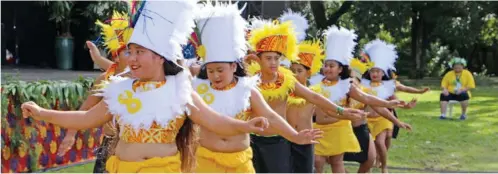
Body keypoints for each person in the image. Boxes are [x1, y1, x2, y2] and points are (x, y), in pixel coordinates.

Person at [21, 1, 270, 173]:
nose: (131, 58)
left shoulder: (180, 90)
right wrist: (42, 113)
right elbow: (87, 118)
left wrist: (245, 126)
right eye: (130, 52)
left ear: (160, 57)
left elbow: (214, 121)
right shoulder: (120, 89)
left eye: (140, 52)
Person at [191, 3, 322, 173]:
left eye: (220, 70)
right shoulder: (198, 90)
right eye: (210, 70)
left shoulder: (247, 89)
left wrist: (295, 136)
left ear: (233, 67)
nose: (215, 75)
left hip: (240, 162)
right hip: (205, 162)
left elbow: (270, 116)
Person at [246, 20, 367, 173]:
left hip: (279, 139)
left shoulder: (286, 80)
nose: (273, 62)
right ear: (259, 59)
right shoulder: (250, 81)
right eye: (268, 58)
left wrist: (340, 110)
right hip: (252, 140)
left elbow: (313, 97)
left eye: (276, 58)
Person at [310, 26, 409, 173]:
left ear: (340, 69)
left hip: (339, 129)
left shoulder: (347, 86)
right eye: (325, 65)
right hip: (320, 129)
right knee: (318, 162)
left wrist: (387, 103)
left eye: (331, 66)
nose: (327, 69)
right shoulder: (316, 87)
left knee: (337, 162)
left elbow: (366, 98)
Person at [56, 11, 133, 173]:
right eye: (128, 52)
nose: (134, 57)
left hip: (134, 147)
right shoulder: (105, 78)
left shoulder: (142, 78)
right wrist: (71, 134)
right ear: (116, 57)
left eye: (136, 52)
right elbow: (85, 109)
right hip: (110, 144)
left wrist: (99, 60)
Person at [360, 39, 417, 173]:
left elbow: (395, 101)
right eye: (372, 71)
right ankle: (371, 164)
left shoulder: (387, 86)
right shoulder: (363, 86)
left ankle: (384, 166)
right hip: (368, 119)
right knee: (371, 146)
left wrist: (406, 106)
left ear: (383, 73)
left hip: (383, 118)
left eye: (378, 71)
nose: (374, 74)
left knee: (380, 142)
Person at [278, 9, 320, 173]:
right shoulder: (282, 91)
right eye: (292, 70)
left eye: (299, 71)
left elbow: (327, 107)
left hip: (306, 140)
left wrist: (343, 111)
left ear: (308, 72)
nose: (294, 74)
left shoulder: (313, 93)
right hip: (285, 138)